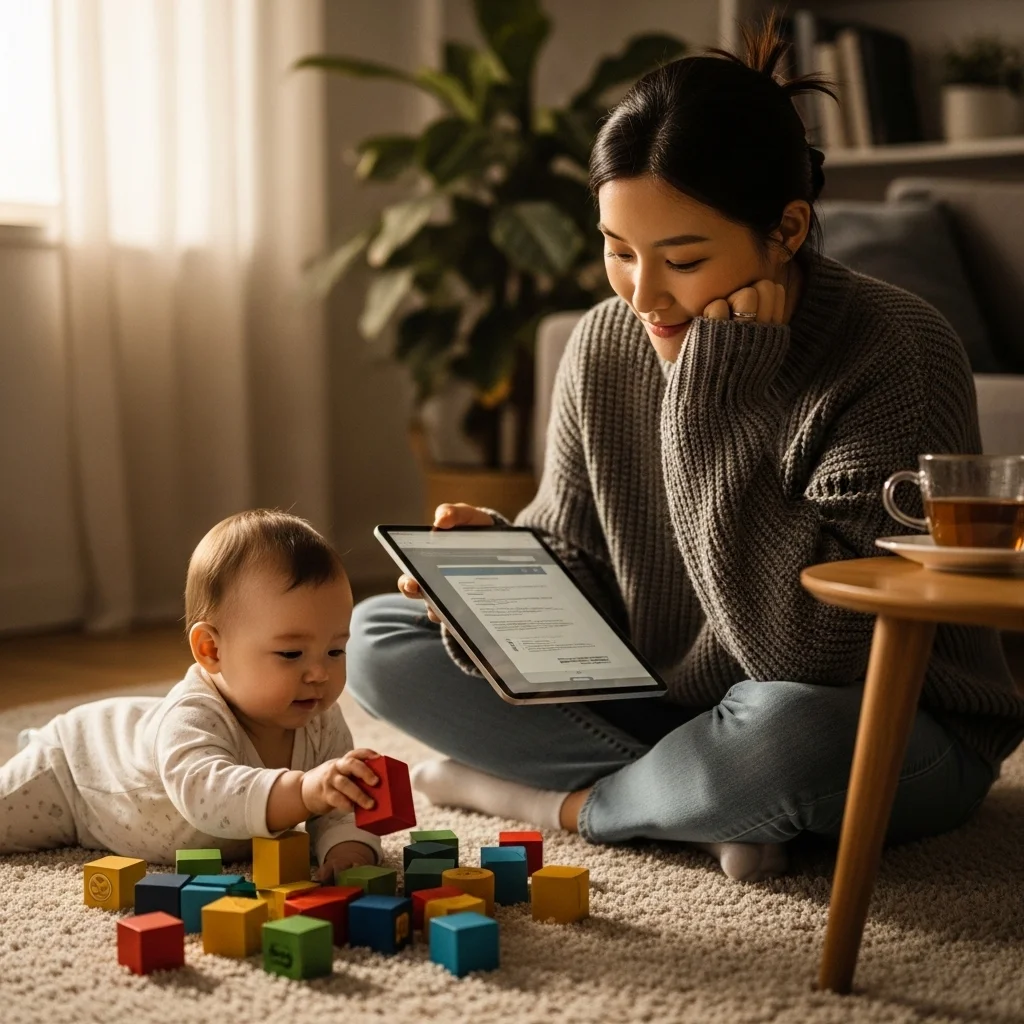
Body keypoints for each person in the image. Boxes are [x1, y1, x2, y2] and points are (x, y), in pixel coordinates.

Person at [346, 22, 1024, 882]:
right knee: (379, 636)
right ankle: (690, 798)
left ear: (786, 228)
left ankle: (573, 803)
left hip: (870, 716)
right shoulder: (605, 341)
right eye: (617, 251)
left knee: (784, 739)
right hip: (658, 703)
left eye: (684, 257)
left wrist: (713, 404)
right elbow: (587, 564)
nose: (644, 293)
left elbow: (809, 655)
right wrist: (499, 573)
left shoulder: (897, 349)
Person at [0, 510, 382, 881]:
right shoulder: (192, 716)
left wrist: (348, 849)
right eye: (290, 654)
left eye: (335, 651)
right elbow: (209, 798)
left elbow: (338, 807)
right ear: (211, 650)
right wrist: (304, 791)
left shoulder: (321, 720)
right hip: (73, 773)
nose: (319, 674)